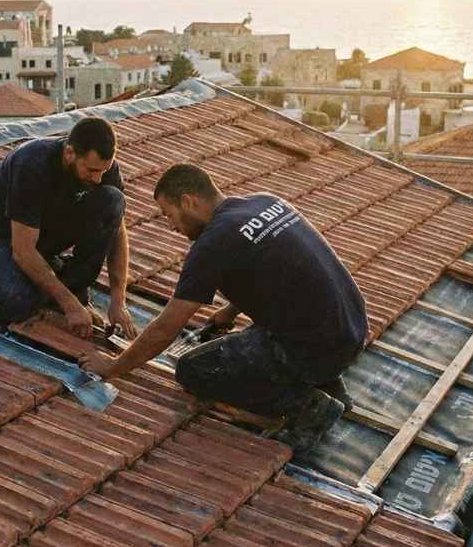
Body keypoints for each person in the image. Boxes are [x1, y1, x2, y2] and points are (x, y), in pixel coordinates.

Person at [79, 163, 367, 453]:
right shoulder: (264, 201)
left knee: (195, 371)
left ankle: (307, 405)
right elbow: (279, 271)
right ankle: (328, 381)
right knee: (279, 330)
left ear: (188, 201)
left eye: (169, 214)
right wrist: (230, 312)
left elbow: (167, 328)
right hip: (351, 329)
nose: (171, 226)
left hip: (314, 346)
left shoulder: (213, 243)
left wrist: (114, 367)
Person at [0, 117, 137, 339]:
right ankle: (58, 287)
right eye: (91, 170)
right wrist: (69, 304)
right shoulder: (31, 163)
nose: (97, 179)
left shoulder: (104, 170)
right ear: (69, 153)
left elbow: (117, 233)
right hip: (2, 239)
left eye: (102, 171)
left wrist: (118, 301)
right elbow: (23, 250)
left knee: (113, 200)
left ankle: (73, 286)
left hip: (46, 238)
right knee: (15, 303)